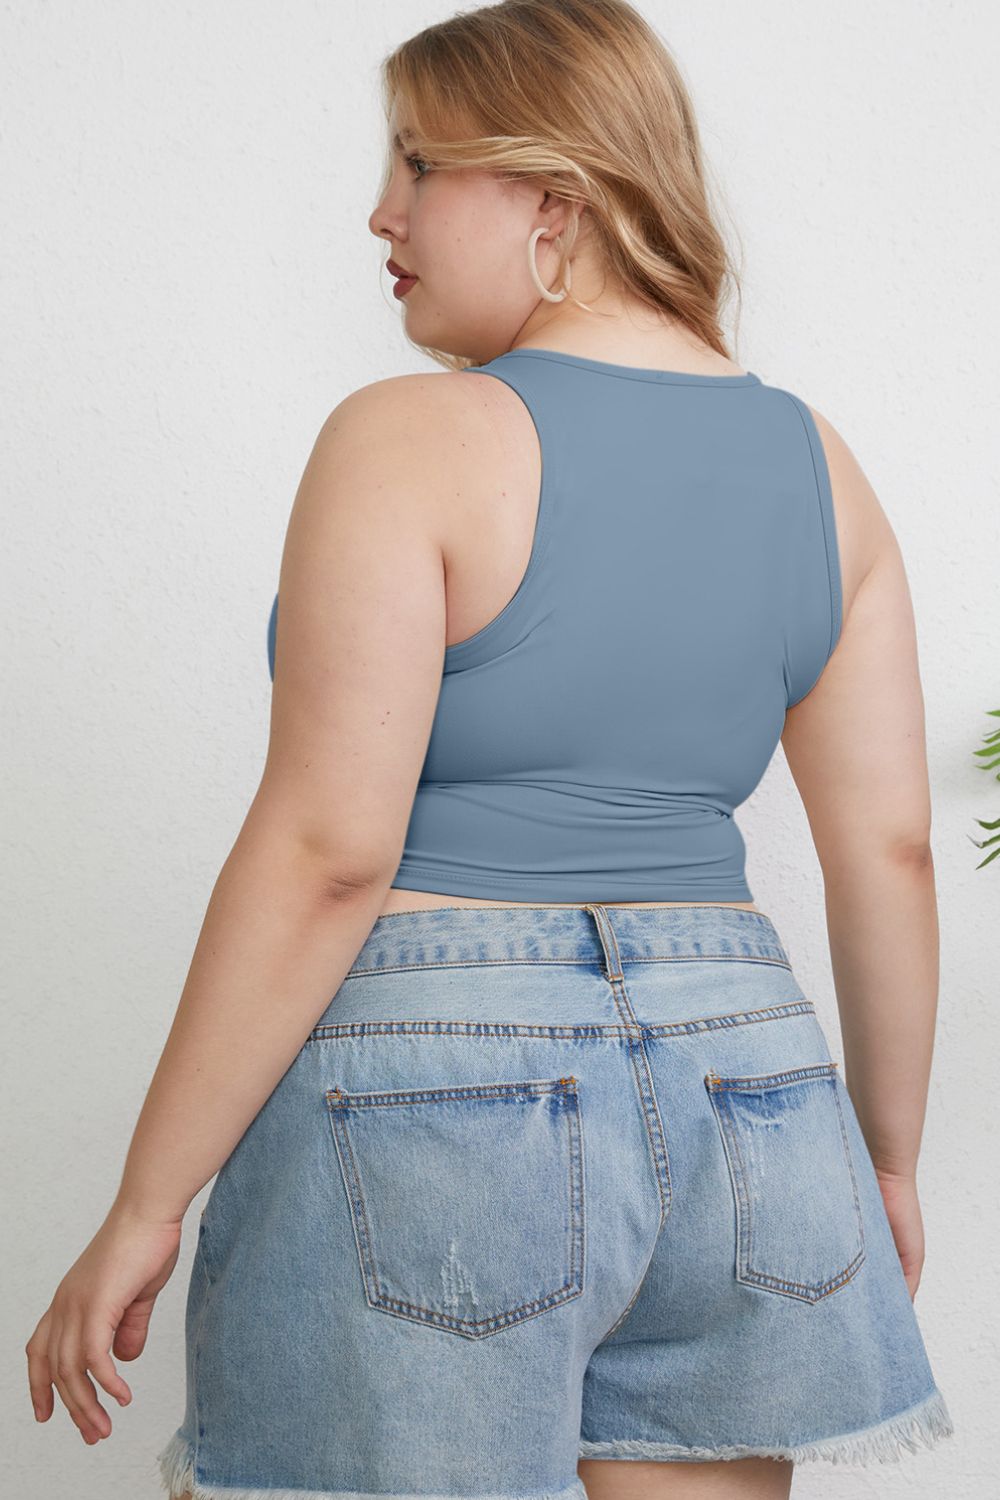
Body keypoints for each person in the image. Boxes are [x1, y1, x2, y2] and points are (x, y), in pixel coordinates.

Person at [26, 2, 954, 1496]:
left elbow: (333, 852)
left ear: (555, 198)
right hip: (758, 1097)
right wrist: (889, 1161)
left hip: (439, 1102)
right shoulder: (817, 464)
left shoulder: (407, 441)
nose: (379, 212)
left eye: (418, 162)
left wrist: (148, 1200)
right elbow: (891, 853)